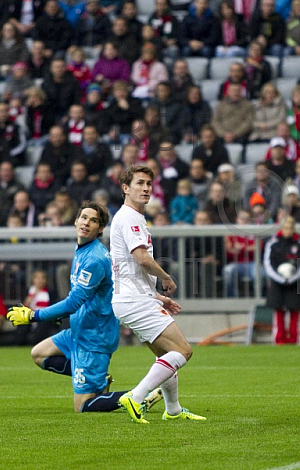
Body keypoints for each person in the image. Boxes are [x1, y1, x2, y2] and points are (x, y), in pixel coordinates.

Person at [6, 201, 163, 413]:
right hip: (80, 330)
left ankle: (137, 396)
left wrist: (34, 315)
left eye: (94, 221)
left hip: (94, 338)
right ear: (76, 220)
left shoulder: (95, 259)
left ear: (100, 229)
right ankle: (97, 380)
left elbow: (73, 302)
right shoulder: (83, 249)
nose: (87, 223)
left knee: (82, 407)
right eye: (84, 217)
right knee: (39, 354)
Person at [110, 165, 205, 423]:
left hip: (133, 297)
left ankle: (172, 410)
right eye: (140, 183)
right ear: (125, 188)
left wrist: (157, 296)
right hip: (134, 300)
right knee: (183, 351)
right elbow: (141, 259)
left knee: (166, 355)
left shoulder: (133, 217)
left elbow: (128, 268)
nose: (146, 188)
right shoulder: (129, 217)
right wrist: (166, 277)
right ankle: (136, 396)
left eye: (149, 184)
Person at [263, 216, 300, 344]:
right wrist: (280, 278)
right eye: (285, 228)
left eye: (290, 228)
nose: (287, 230)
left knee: (294, 310)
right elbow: (268, 264)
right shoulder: (273, 243)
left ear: (293, 229)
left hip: (296, 282)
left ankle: (294, 339)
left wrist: (292, 278)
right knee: (278, 310)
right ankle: (279, 339)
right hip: (277, 282)